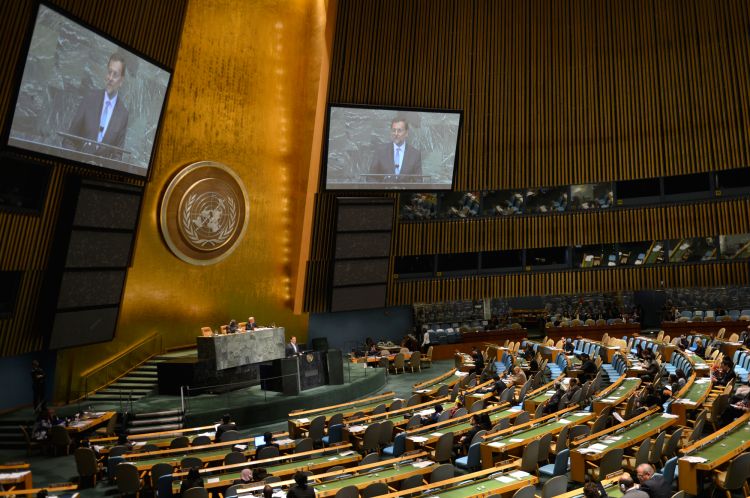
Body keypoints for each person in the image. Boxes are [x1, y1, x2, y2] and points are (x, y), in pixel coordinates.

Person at [66, 54, 129, 159]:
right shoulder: (89, 100)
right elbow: (69, 140)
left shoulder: (123, 114)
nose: (110, 78)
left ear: (121, 81)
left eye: (115, 75)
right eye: (109, 72)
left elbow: (117, 156)